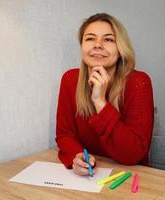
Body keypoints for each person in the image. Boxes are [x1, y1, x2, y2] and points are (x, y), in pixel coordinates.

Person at [55, 13, 154, 176]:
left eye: (108, 39)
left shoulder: (138, 82)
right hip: (90, 177)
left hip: (128, 176)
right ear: (82, 46)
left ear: (120, 48)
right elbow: (65, 135)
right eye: (90, 39)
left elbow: (134, 154)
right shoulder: (70, 79)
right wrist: (77, 156)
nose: (98, 45)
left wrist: (100, 102)